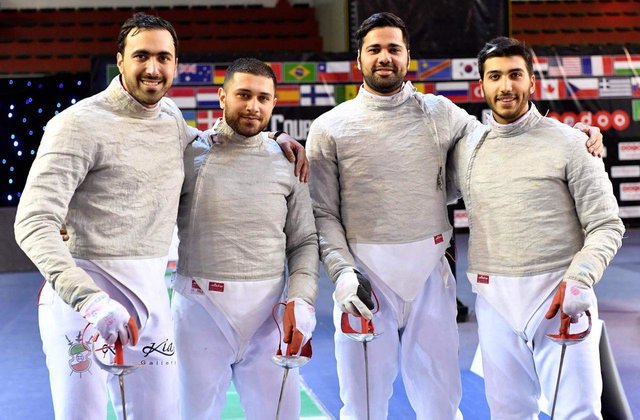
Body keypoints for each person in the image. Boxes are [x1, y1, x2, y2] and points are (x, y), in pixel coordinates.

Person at [306, 12, 604, 420]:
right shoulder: (329, 128)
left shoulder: (441, 113)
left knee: (440, 405)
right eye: (374, 49)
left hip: (431, 273)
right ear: (359, 58)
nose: (384, 57)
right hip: (363, 279)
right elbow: (321, 211)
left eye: (394, 48)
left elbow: (503, 137)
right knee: (362, 408)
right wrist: (342, 272)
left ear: (408, 55)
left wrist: (574, 136)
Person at [14, 14, 306, 420]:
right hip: (82, 304)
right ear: (120, 60)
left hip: (149, 301)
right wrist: (91, 301)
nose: (153, 68)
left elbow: (217, 144)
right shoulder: (76, 125)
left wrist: (272, 138)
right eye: (141, 56)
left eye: (163, 58)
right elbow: (32, 222)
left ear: (175, 65)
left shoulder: (169, 118)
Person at [448, 36, 624, 419]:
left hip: (559, 296)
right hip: (493, 300)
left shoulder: (571, 143)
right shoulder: (467, 148)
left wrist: (580, 278)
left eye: (515, 74)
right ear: (482, 85)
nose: (505, 86)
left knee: (577, 413)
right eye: (495, 76)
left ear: (532, 81)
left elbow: (606, 224)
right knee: (507, 413)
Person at [171, 58, 319, 420]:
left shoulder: (289, 161)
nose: (253, 106)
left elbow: (303, 241)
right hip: (201, 311)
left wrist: (301, 298)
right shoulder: (189, 153)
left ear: (274, 103)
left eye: (263, 98)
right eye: (243, 95)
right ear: (222, 97)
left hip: (269, 316)